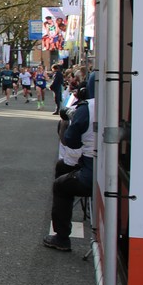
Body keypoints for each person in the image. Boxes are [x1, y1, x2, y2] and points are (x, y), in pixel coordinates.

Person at [45, 80, 95, 251]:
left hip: (91, 171)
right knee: (63, 169)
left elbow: (71, 142)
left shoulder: (86, 108)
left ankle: (61, 237)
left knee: (60, 185)